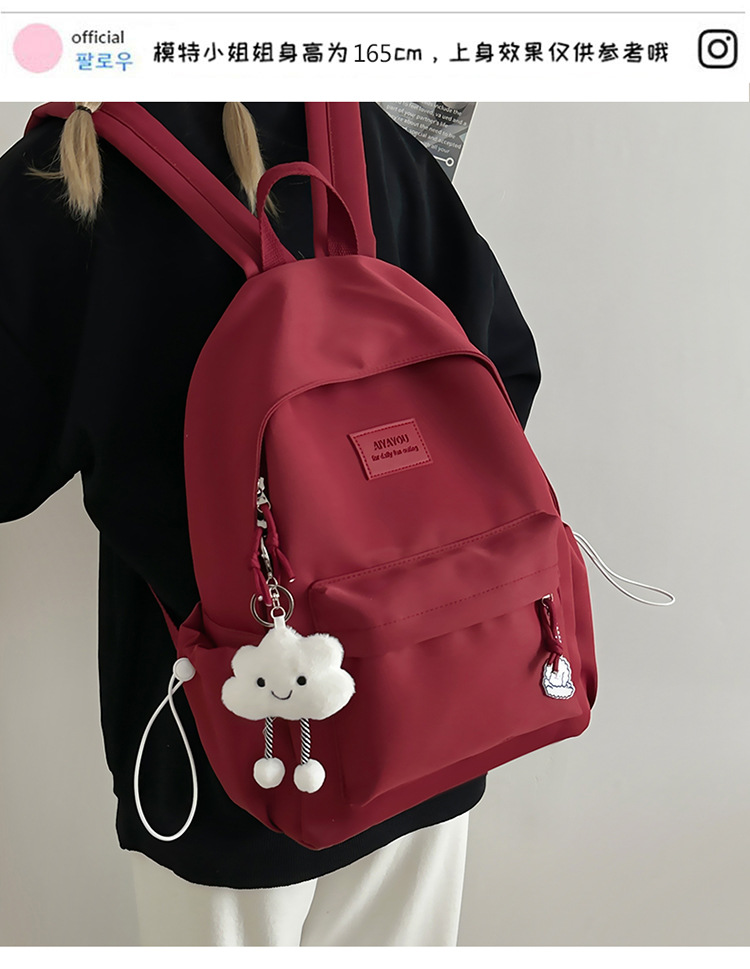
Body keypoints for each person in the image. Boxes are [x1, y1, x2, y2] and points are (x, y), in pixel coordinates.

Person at [0, 102, 541, 946]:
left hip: (224, 743)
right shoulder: (371, 138)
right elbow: (503, 376)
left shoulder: (66, 177)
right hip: (436, 700)